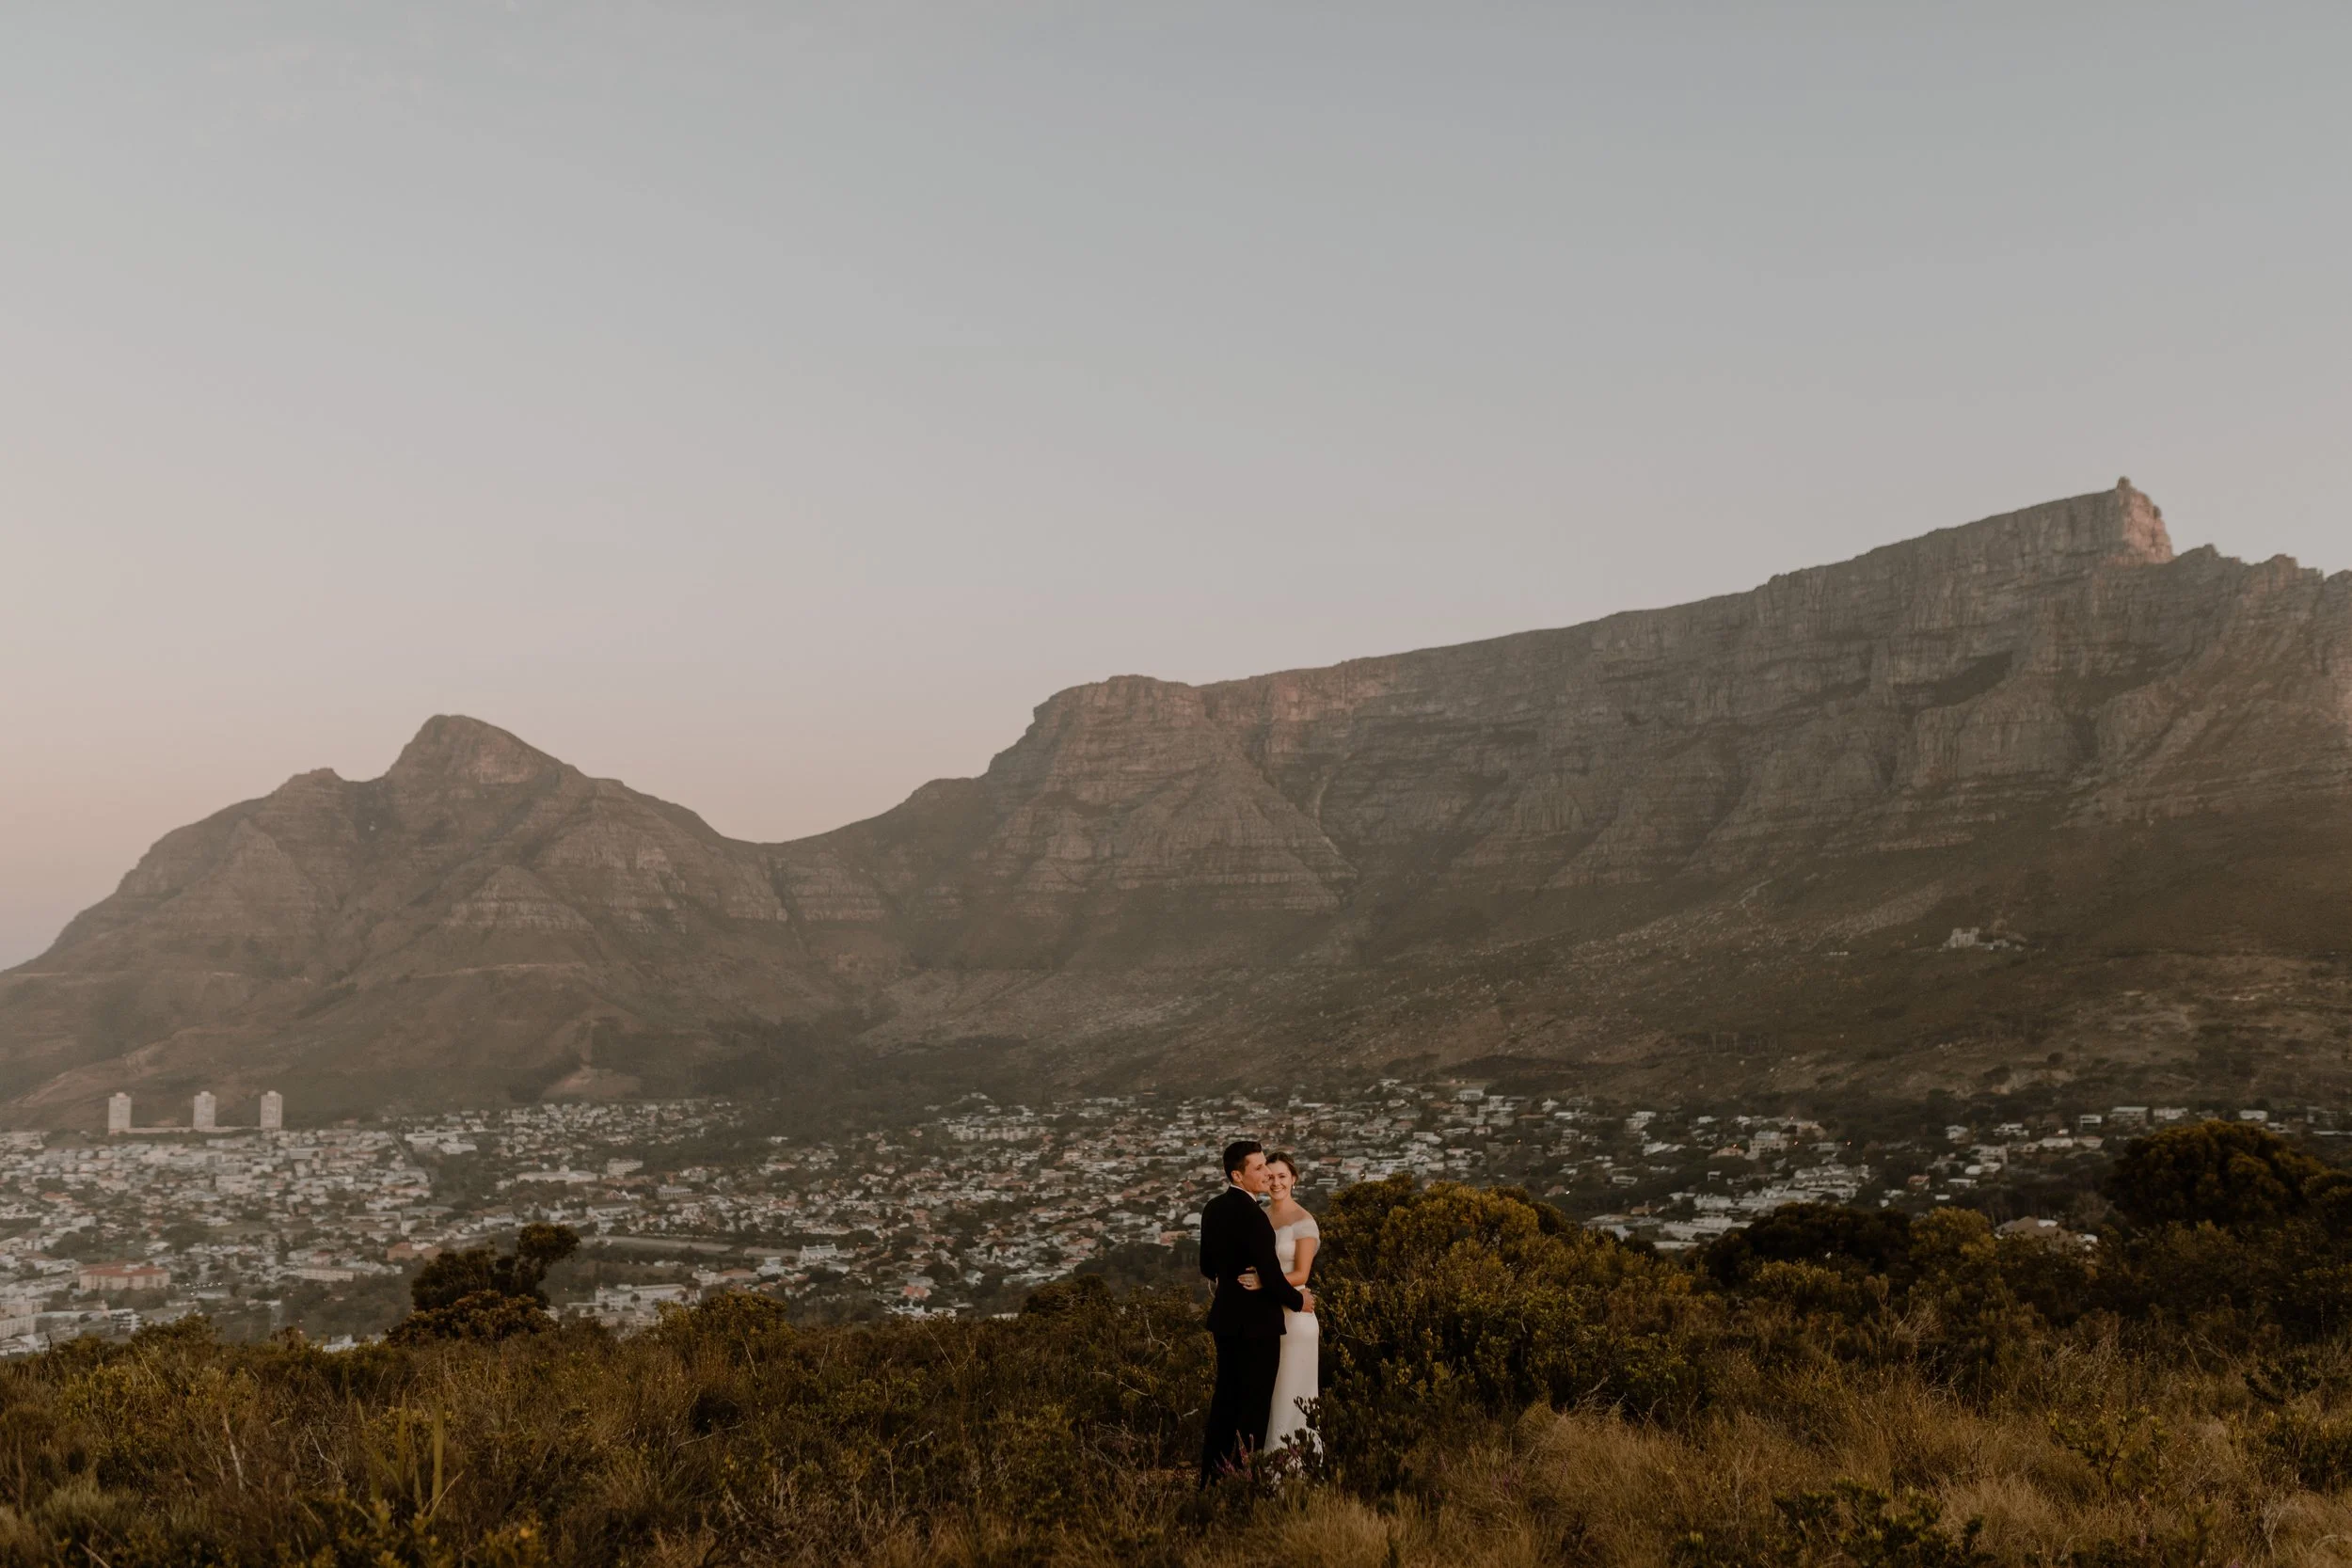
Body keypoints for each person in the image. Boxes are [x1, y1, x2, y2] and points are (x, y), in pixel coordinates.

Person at [1197, 1139, 1308, 1483]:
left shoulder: (1212, 1208)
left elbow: (1206, 1266)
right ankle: (1247, 1482)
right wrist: (1300, 1301)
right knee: (1254, 1409)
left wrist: (1230, 1278)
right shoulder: (1255, 1218)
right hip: (1258, 1326)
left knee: (1224, 1404)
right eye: (1258, 1168)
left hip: (1226, 1320)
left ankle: (1211, 1480)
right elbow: (1272, 1278)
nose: (1266, 1173)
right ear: (1237, 1174)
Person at [1261, 1151, 1321, 1453]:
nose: (1275, 1182)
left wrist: (1262, 1283)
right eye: (1269, 1176)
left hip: (1296, 1319)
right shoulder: (1260, 1217)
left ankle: (1297, 1469)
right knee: (1271, 1395)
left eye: (1282, 1176)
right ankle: (1271, 1466)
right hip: (1266, 1316)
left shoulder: (1304, 1221)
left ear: (1293, 1179)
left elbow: (1301, 1273)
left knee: (1292, 1394)